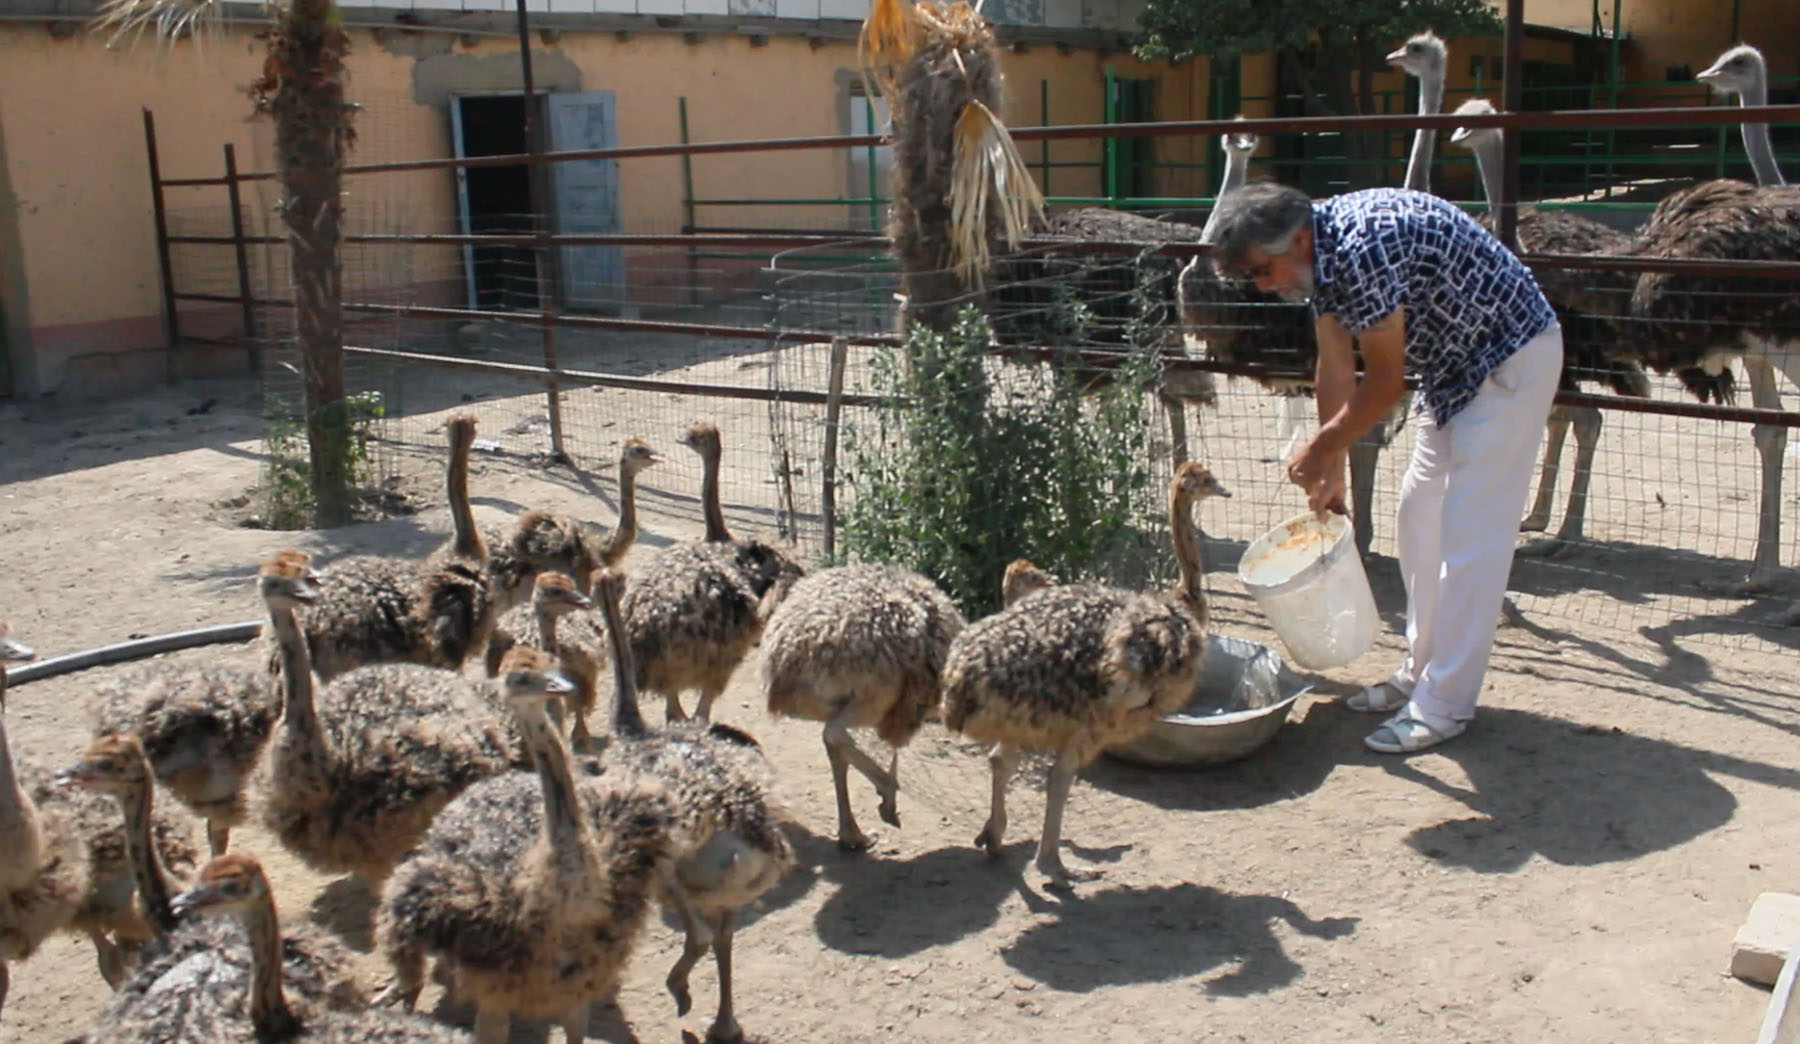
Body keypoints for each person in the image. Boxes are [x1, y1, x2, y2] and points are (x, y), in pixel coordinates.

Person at [1206, 182, 1562, 754]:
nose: (1264, 286)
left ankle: (1447, 703)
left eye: (1261, 271)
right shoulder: (1319, 254)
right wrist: (1332, 470)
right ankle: (1420, 672)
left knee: (1472, 540)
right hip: (1453, 371)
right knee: (1418, 517)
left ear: (1296, 240)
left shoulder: (1361, 245)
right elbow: (1334, 361)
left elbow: (1386, 381)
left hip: (1508, 360)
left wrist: (1320, 447)